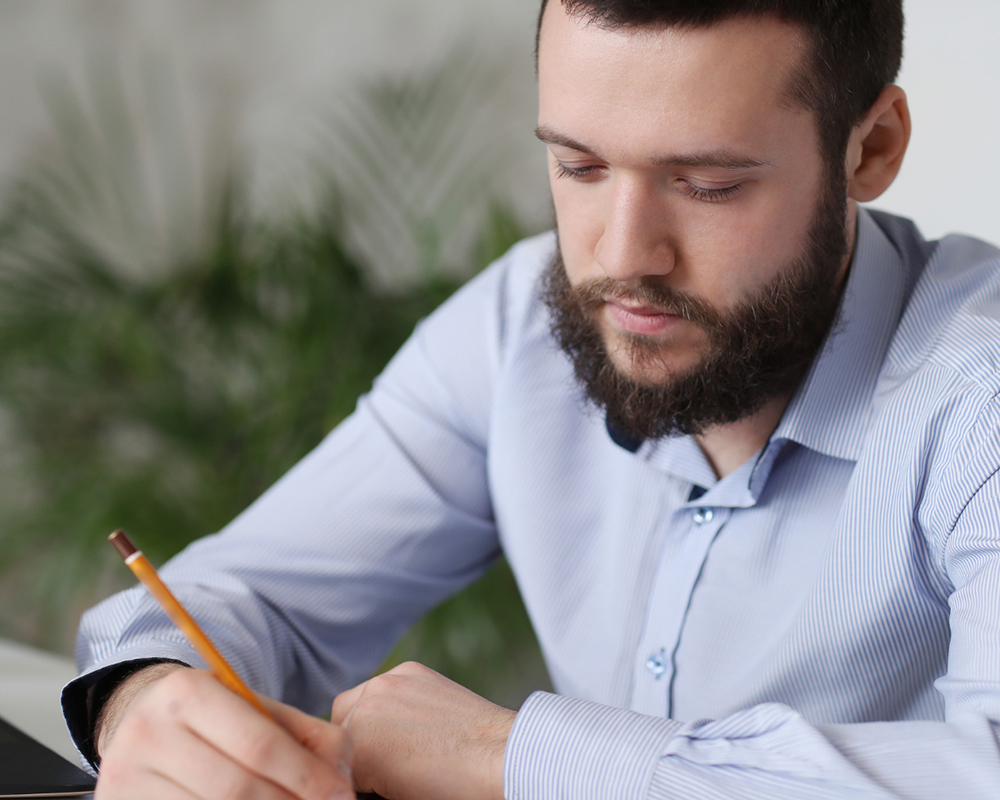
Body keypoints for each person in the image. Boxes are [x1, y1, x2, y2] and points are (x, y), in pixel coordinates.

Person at [63, 1, 1000, 798]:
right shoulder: (521, 323)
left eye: (708, 184)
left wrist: (511, 756)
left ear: (871, 148)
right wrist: (145, 696)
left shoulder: (978, 389)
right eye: (580, 167)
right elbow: (253, 596)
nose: (624, 256)